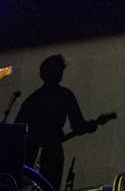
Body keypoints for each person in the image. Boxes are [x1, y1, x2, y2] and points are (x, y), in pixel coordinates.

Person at [16, 55, 97, 189]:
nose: (61, 73)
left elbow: (17, 129)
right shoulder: (63, 95)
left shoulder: (33, 99)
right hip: (49, 153)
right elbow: (78, 125)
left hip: (36, 154)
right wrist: (91, 125)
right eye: (58, 69)